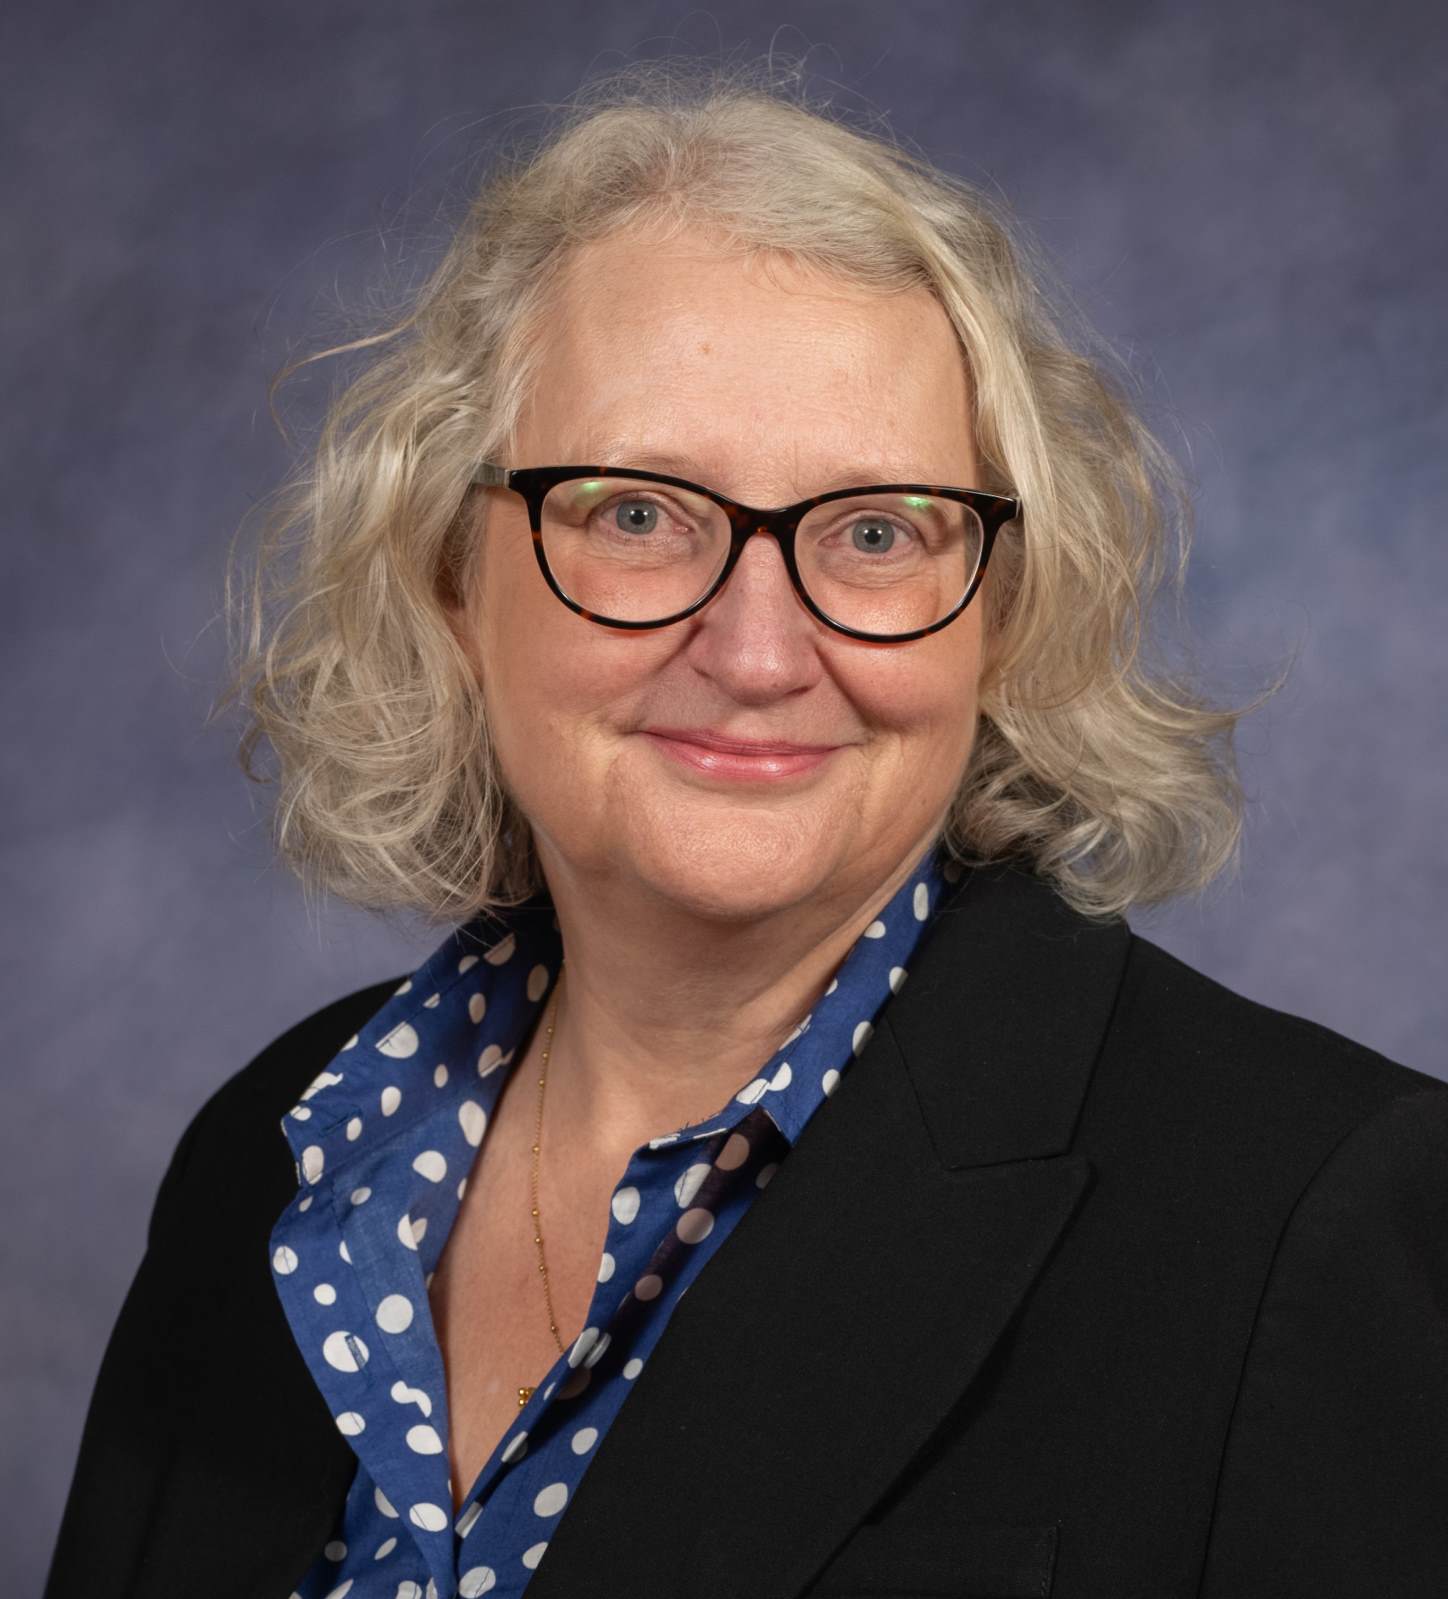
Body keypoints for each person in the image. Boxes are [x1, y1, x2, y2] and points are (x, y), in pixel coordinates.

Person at [45, 58, 1447, 1599]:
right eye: (638, 513)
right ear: (452, 574)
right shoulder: (278, 1156)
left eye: (876, 531)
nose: (762, 650)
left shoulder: (1311, 1212)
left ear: (1000, 612)